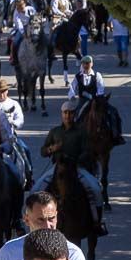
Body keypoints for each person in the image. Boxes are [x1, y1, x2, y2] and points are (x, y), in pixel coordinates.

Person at [32, 100, 106, 235]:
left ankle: (97, 222)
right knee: (36, 190)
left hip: (77, 168)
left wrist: (76, 159)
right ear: (62, 114)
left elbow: (87, 151)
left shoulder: (81, 132)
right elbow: (42, 151)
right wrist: (51, 149)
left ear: (75, 114)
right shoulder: (55, 132)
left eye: (70, 113)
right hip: (57, 167)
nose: (67, 116)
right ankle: (32, 223)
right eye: (65, 113)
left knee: (95, 188)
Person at [68, 55, 125, 145]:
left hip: (96, 100)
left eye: (88, 63)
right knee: (75, 116)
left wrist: (97, 98)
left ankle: (116, 135)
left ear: (91, 64)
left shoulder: (97, 76)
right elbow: (72, 87)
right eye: (84, 63)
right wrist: (71, 95)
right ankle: (72, 137)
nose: (86, 65)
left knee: (113, 112)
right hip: (83, 101)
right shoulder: (78, 76)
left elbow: (100, 88)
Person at [10, 0, 36, 67]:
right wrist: (23, 33)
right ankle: (15, 59)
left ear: (25, 5)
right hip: (20, 28)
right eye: (19, 8)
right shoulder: (16, 12)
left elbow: (35, 18)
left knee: (39, 38)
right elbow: (18, 24)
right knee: (15, 42)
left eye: (21, 7)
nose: (20, 10)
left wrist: (33, 26)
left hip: (30, 27)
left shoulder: (31, 9)